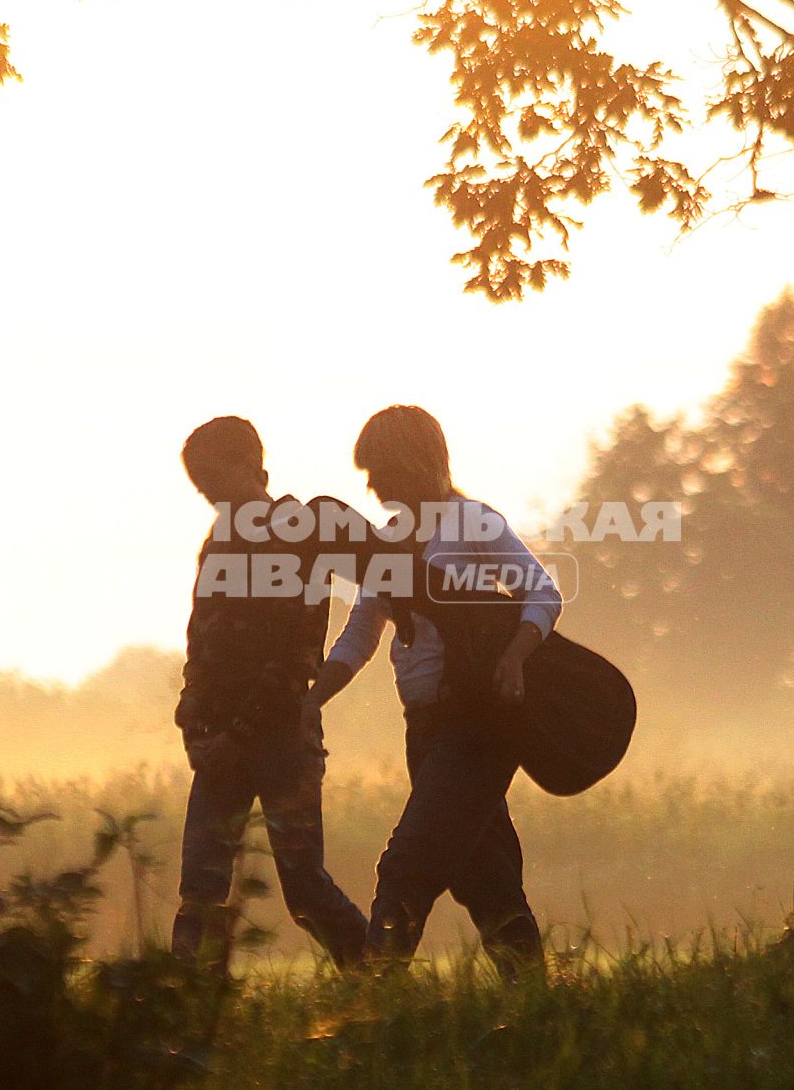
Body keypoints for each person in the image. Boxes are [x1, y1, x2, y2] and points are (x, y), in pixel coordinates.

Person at [305, 405, 560, 977]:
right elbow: (358, 638)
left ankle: (378, 991)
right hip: (423, 732)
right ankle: (539, 996)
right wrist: (311, 700)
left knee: (407, 863)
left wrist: (515, 656)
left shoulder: (473, 522)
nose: (370, 485)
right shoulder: (387, 546)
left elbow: (543, 594)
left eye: (378, 469)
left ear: (411, 463)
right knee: (485, 879)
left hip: (476, 728)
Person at [171, 416, 368, 975]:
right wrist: (194, 726)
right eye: (200, 487)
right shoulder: (217, 543)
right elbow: (199, 641)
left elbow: (293, 656)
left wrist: (233, 734)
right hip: (218, 745)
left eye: (212, 480)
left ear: (248, 467)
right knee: (201, 886)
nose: (208, 495)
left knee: (304, 888)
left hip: (282, 739)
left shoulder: (299, 534)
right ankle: (185, 1005)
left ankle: (379, 976)